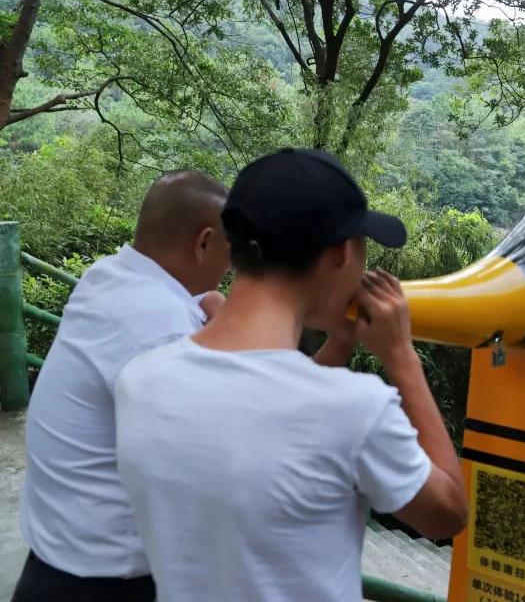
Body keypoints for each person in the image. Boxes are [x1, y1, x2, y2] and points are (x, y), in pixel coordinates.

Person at [114, 148, 468, 602]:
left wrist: (338, 345)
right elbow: (448, 513)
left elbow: (263, 416)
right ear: (342, 253)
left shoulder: (141, 379)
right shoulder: (353, 406)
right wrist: (401, 357)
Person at [14, 170, 231, 602]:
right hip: (106, 583)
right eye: (231, 250)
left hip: (55, 557)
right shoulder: (160, 327)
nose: (231, 267)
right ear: (204, 242)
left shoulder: (109, 276)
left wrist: (211, 308)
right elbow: (220, 460)